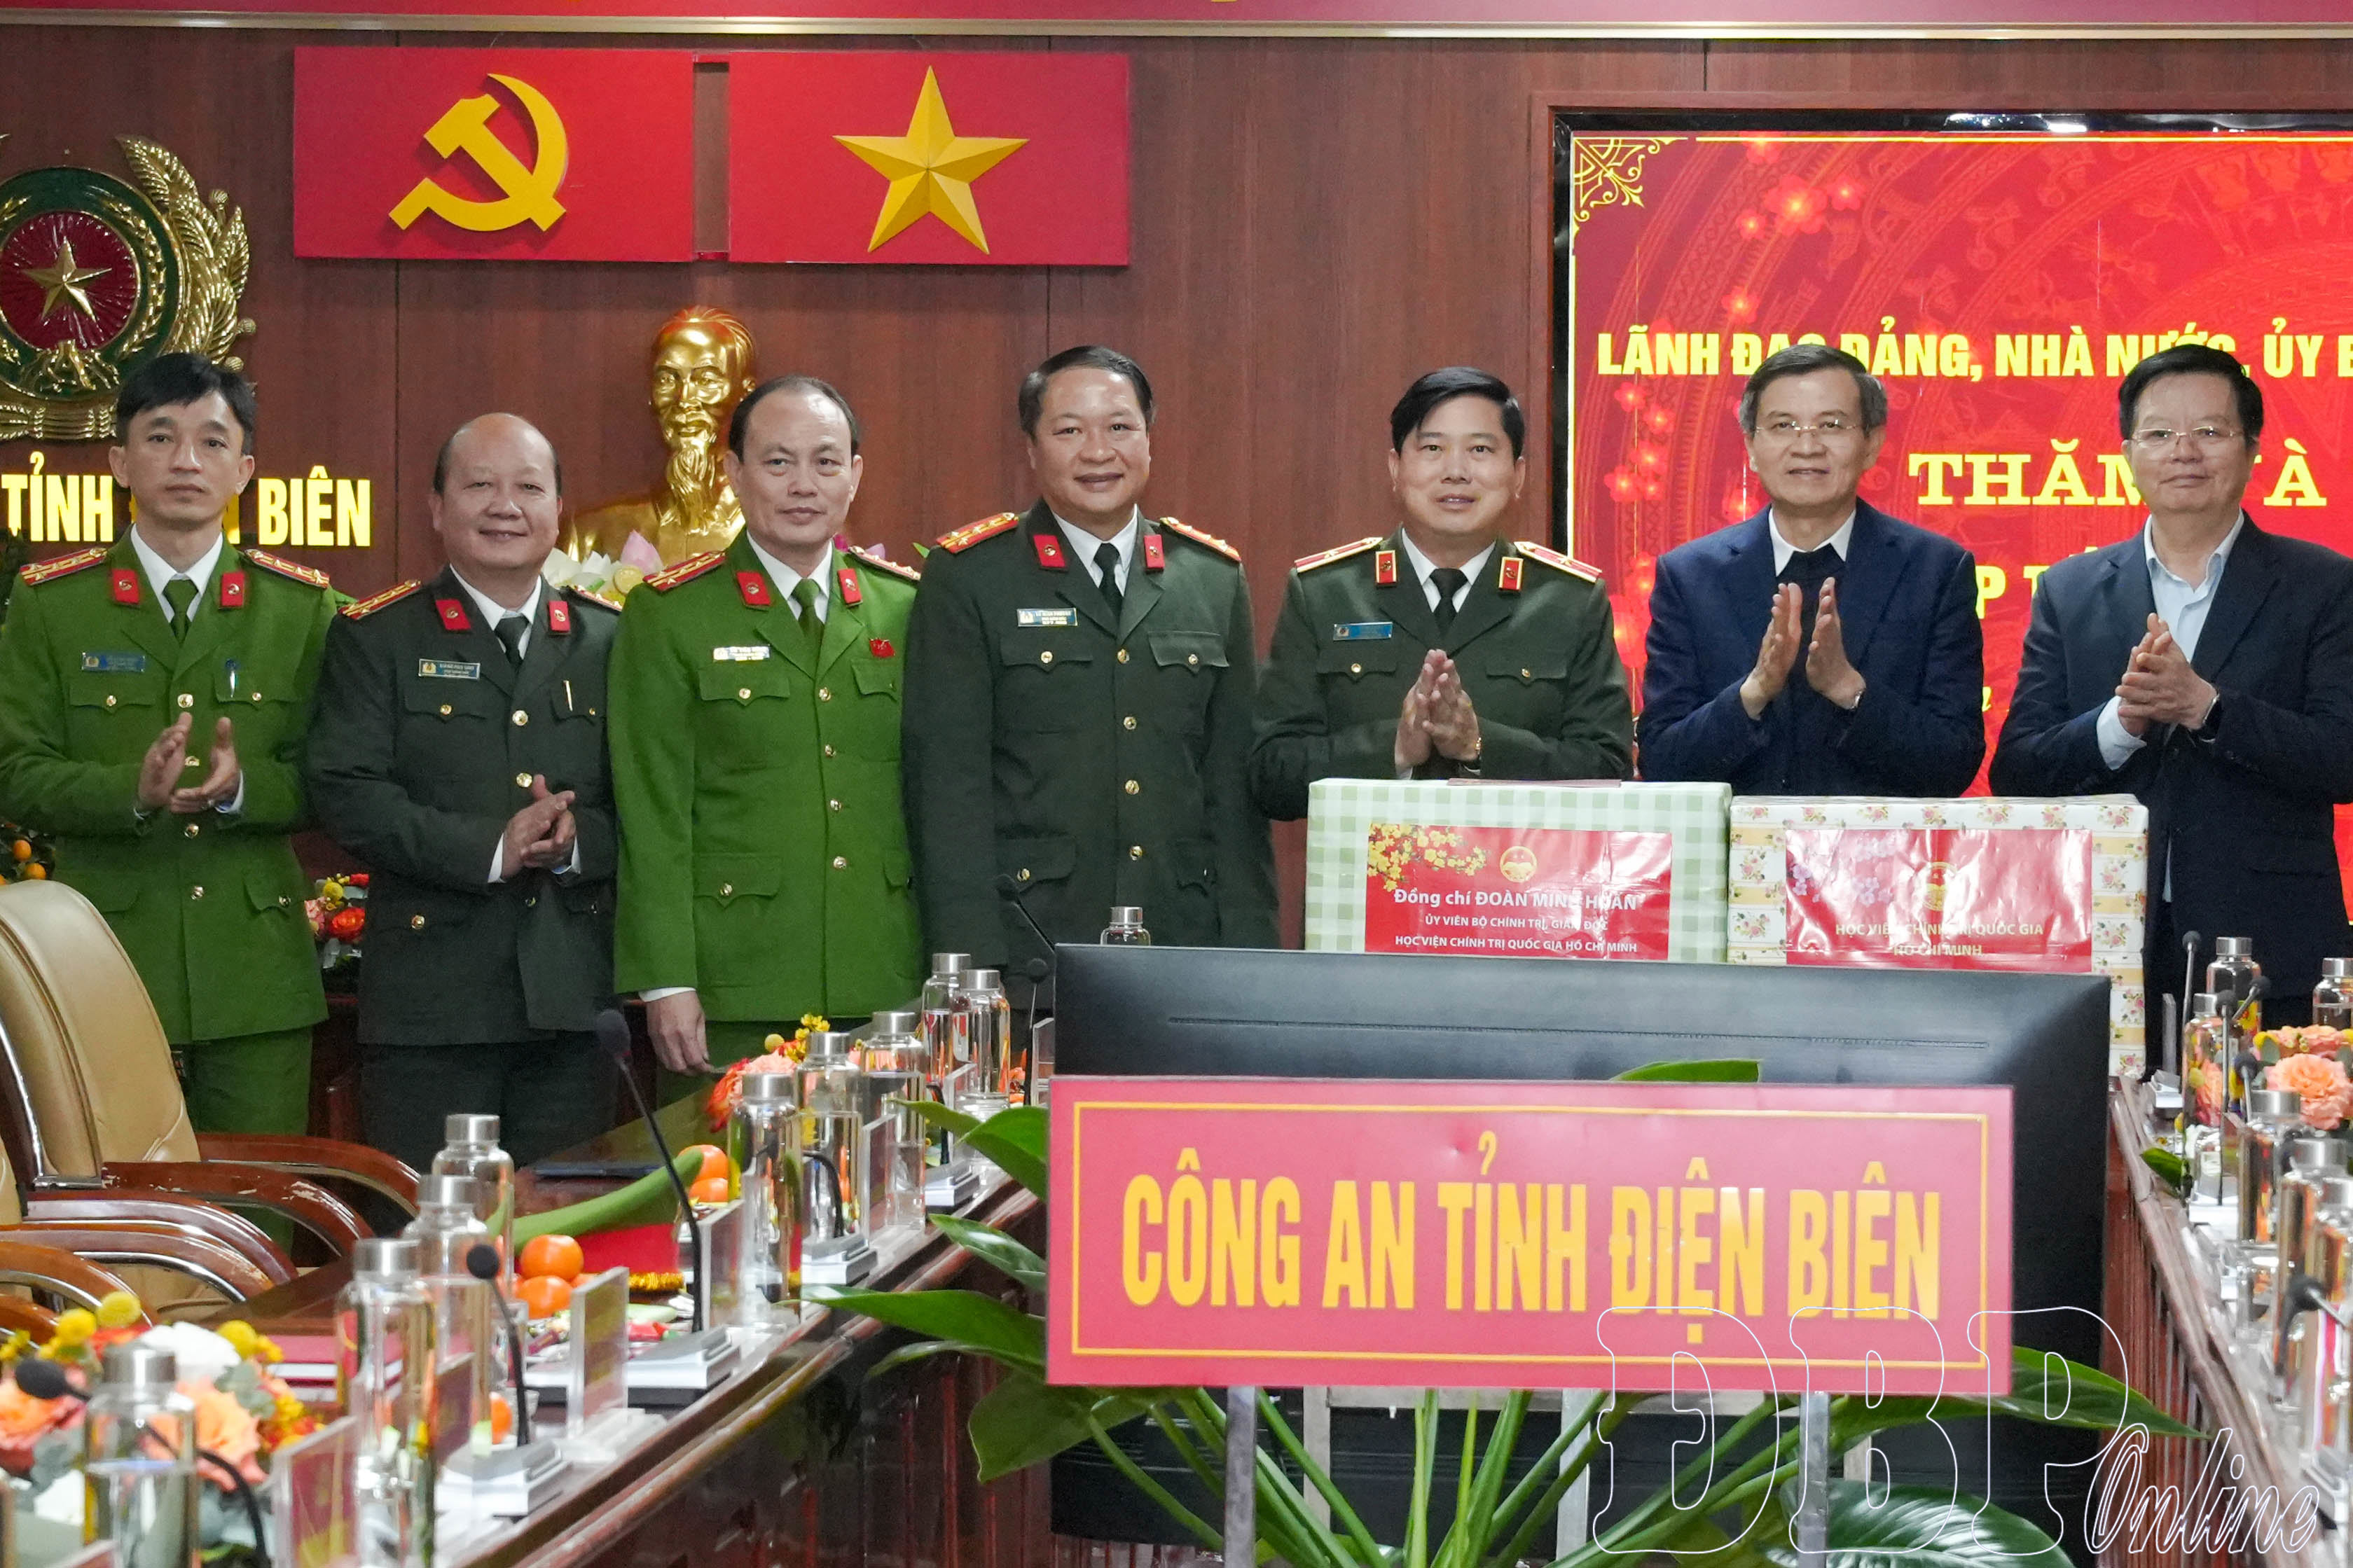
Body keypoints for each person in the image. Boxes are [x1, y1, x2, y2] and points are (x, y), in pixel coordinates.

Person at [0, 352, 340, 1134]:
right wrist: (132, 790)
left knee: (258, 1201)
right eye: (160, 437)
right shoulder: (53, 604)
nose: (187, 460)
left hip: (254, 977)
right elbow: (15, 770)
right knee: (110, 1197)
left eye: (212, 441)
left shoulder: (301, 608)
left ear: (244, 470)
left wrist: (245, 788)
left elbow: (336, 775)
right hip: (100, 964)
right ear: (120, 462)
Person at [1991, 343, 2353, 1025]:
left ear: (2252, 450)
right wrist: (2119, 725)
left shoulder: (2325, 585)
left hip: (2267, 943)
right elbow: (2017, 770)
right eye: (2158, 434)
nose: (2182, 451)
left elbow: (2341, 758)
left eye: (2208, 431)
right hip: (2101, 941)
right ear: (2127, 453)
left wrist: (2206, 708)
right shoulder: (2069, 590)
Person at [902, 345, 1276, 992]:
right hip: (1028, 946)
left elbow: (1232, 791)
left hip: (1182, 941)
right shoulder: (972, 577)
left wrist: (1250, 955)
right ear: (1031, 449)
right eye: (1069, 430)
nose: (1098, 452)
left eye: (1119, 426)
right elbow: (947, 788)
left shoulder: (1211, 578)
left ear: (1149, 440)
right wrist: (969, 967)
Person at [306, 414, 621, 1172]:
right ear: (436, 507)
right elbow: (345, 792)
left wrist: (578, 841)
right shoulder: (379, 636)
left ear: (558, 509)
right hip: (431, 1009)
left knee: (567, 1228)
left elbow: (655, 804)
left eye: (528, 488)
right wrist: (491, 847)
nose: (504, 506)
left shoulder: (610, 640)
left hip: (572, 1006)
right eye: (479, 485)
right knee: (435, 1231)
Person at [609, 375, 924, 1090]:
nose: (802, 484)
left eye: (825, 461)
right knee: (722, 1162)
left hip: (884, 974)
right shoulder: (671, 614)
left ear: (855, 475)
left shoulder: (905, 607)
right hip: (734, 981)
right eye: (778, 462)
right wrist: (666, 979)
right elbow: (651, 812)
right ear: (734, 472)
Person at [1250, 366, 1631, 820]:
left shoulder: (1569, 601)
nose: (1456, 472)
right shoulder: (1324, 594)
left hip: (1517, 866)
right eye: (1432, 448)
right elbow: (1270, 774)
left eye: (1480, 450)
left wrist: (1479, 744)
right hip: (1363, 866)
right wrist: (1393, 747)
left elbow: (1610, 770)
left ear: (1518, 475)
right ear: (1395, 468)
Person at [1638, 344, 1985, 796]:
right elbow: (1660, 761)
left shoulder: (1934, 570)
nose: (1806, 446)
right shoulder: (1689, 577)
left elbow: (1954, 762)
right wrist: (1754, 691)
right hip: (1736, 842)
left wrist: (1848, 688)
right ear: (1751, 446)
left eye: (1832, 425)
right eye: (1783, 425)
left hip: (1878, 841)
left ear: (1872, 444)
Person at [563, 306, 761, 567]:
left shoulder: (778, 531)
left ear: (745, 394)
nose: (684, 399)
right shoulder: (593, 535)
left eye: (706, 380)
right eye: (667, 379)